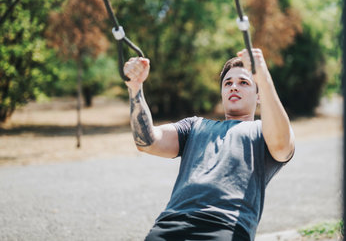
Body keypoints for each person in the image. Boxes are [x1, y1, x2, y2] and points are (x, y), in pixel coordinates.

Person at [124, 48, 295, 241]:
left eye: (244, 83)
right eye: (228, 83)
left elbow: (282, 147)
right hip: (170, 224)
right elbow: (147, 142)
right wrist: (135, 88)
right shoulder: (195, 126)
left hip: (225, 226)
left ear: (258, 95)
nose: (234, 87)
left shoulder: (263, 131)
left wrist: (263, 79)